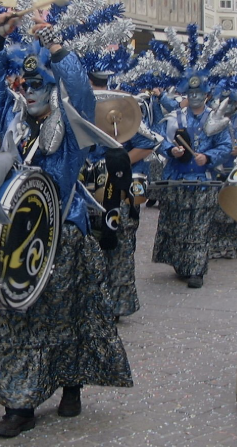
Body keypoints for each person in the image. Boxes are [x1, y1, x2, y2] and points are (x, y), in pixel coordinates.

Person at [0, 11, 132, 438]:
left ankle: (70, 385)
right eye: (26, 84)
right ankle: (20, 403)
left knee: (67, 319)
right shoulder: (13, 121)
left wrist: (56, 45)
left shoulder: (72, 128)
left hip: (62, 237)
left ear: (53, 87)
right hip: (17, 237)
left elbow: (79, 91)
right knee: (18, 317)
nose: (30, 91)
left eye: (39, 84)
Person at [151, 79, 237, 288]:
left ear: (207, 95)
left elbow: (226, 146)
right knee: (178, 224)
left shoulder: (215, 118)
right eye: (191, 93)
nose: (195, 96)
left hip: (203, 182)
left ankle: (197, 269)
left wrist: (208, 157)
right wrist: (171, 150)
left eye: (199, 93)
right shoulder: (175, 117)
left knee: (200, 227)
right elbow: (159, 138)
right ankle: (182, 264)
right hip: (177, 180)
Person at [86, 70, 157, 321]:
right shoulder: (79, 108)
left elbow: (149, 142)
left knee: (119, 247)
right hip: (89, 192)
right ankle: (92, 305)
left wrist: (119, 162)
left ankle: (117, 305)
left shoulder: (123, 108)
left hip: (119, 191)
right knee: (90, 249)